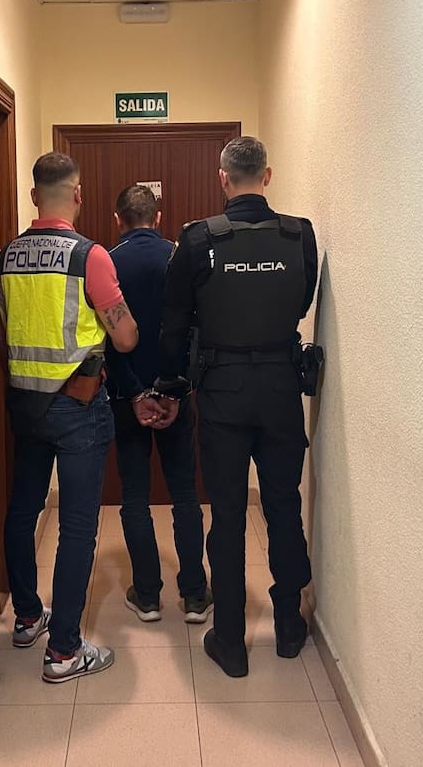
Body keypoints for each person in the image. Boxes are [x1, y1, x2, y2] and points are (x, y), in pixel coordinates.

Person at [153, 136, 318, 679]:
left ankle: (229, 640)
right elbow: (300, 303)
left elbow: (174, 323)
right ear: (267, 176)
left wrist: (170, 386)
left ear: (222, 178)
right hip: (281, 389)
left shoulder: (198, 239)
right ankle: (289, 627)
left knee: (226, 514)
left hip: (222, 393)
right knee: (284, 504)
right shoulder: (299, 235)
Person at [0, 152, 138, 684]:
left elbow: (3, 334)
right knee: (76, 526)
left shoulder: (2, 259)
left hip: (25, 406)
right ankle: (65, 651)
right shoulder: (89, 257)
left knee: (22, 510)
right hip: (77, 407)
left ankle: (28, 617)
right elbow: (125, 337)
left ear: (34, 196)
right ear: (77, 195)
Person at [104, 185, 213, 625]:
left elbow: (108, 340)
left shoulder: (106, 262)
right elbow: (194, 332)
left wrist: (134, 394)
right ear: (159, 217)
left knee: (134, 495)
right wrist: (174, 392)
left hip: (126, 397)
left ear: (118, 220)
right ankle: (195, 595)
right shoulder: (178, 257)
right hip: (176, 395)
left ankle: (147, 595)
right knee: (185, 493)